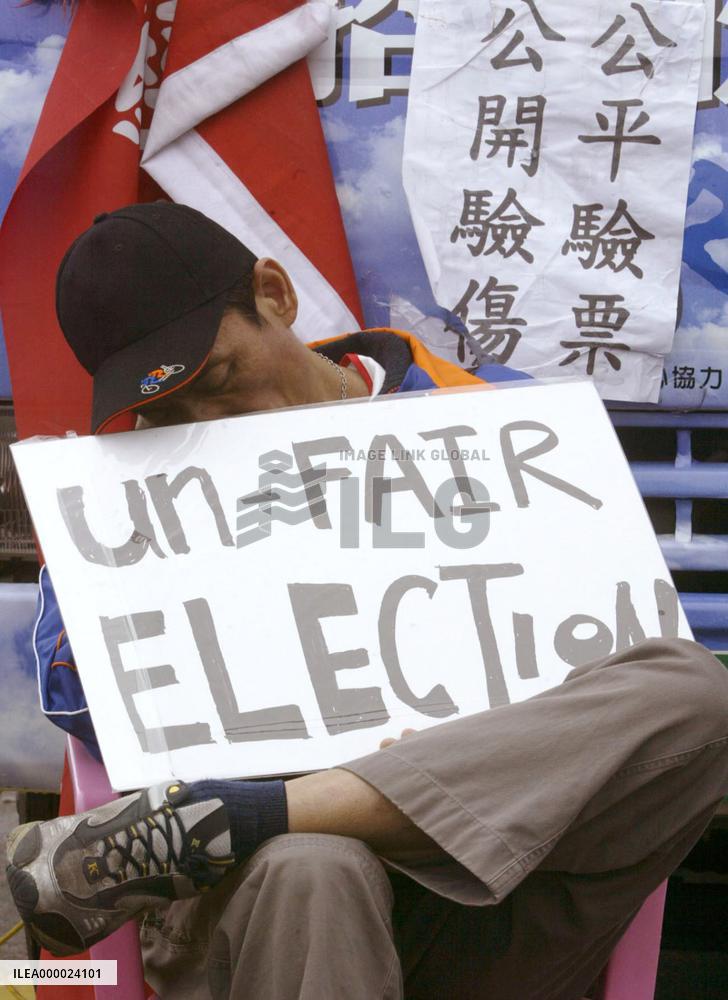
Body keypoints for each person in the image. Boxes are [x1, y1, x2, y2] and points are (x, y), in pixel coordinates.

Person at [7, 202, 728, 1000]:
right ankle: (270, 819)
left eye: (215, 379)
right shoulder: (133, 492)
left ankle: (260, 810)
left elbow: (603, 657)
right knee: (315, 866)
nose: (204, 421)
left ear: (275, 294)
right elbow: (83, 715)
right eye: (165, 409)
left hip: (493, 899)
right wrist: (106, 561)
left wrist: (447, 752)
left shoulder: (495, 425)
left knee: (695, 691)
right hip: (266, 915)